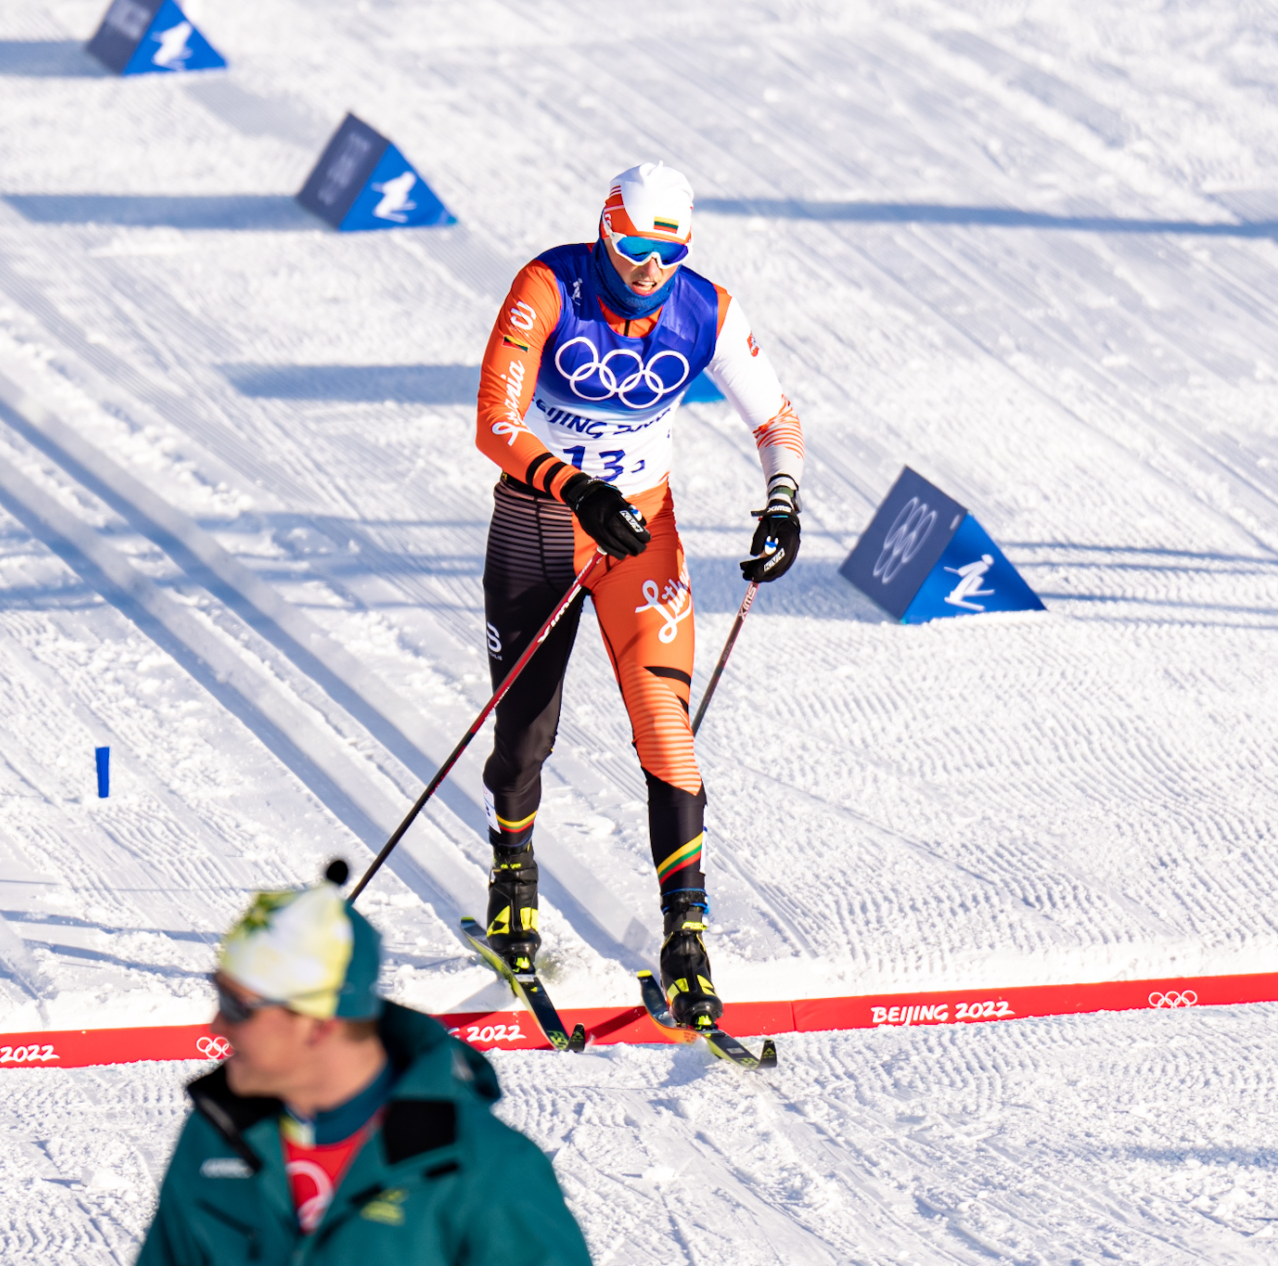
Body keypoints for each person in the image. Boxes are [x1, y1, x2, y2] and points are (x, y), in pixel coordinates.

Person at [473, 161, 805, 1027]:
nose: (647, 268)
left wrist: (783, 502)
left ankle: (685, 937)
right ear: (603, 229)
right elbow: (494, 423)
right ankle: (514, 877)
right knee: (525, 732)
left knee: (666, 727)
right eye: (629, 246)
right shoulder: (547, 286)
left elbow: (775, 419)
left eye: (667, 252)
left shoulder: (709, 310)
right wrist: (573, 487)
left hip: (644, 534)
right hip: (540, 524)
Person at [136, 864, 592, 1266]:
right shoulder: (217, 1136)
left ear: (318, 1023)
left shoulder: (482, 1170)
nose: (217, 1025)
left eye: (237, 1006)